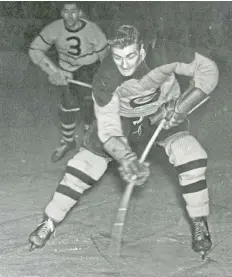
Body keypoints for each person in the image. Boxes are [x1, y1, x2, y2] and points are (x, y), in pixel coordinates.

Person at [28, 25, 218, 259]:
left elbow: (208, 70)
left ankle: (199, 221)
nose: (125, 65)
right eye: (118, 58)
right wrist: (127, 158)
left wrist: (181, 106)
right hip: (122, 120)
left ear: (142, 51)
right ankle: (50, 220)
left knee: (191, 155)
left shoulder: (165, 52)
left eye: (130, 56)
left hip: (162, 114)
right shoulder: (105, 78)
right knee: (85, 164)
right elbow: (108, 130)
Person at [28, 2, 109, 162]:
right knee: (67, 108)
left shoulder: (92, 30)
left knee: (89, 108)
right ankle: (67, 141)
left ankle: (88, 145)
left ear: (80, 12)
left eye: (74, 11)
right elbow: (35, 50)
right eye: (65, 11)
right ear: (61, 13)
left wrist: (104, 79)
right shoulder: (54, 28)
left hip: (89, 70)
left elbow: (105, 57)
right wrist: (54, 72)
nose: (70, 16)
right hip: (67, 72)